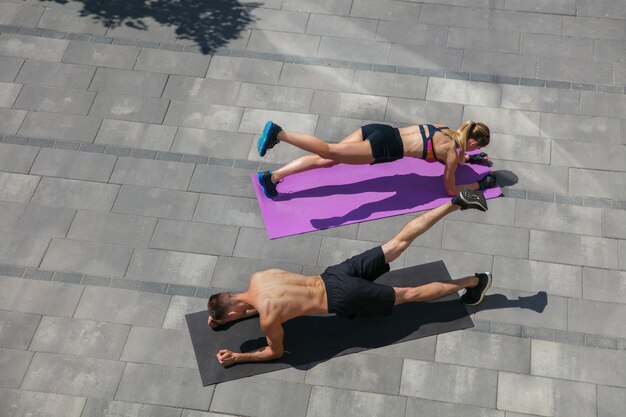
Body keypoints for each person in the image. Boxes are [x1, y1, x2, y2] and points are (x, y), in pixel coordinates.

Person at [208, 189, 492, 367]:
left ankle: (474, 282)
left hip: (343, 297)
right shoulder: (261, 278)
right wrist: (225, 316)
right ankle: (455, 203)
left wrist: (239, 357)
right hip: (334, 275)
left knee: (409, 295)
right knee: (396, 243)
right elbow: (256, 303)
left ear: (233, 311)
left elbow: (276, 352)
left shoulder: (268, 318)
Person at [255, 120, 496, 198]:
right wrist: (479, 186)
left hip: (380, 130)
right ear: (473, 143)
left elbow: (456, 152)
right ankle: (280, 134)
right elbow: (451, 190)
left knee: (327, 160)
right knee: (329, 151)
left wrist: (471, 159)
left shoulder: (445, 128)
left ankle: (273, 177)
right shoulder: (450, 156)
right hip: (385, 147)